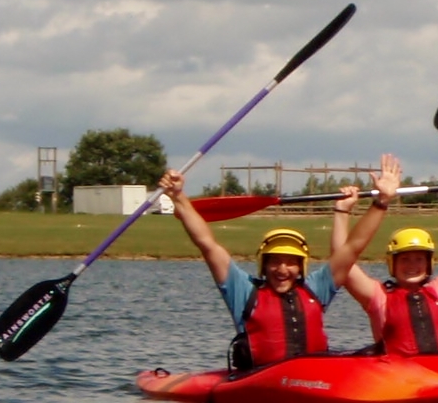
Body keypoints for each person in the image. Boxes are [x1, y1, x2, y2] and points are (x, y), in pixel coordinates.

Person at [159, 158, 400, 370]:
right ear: (263, 265)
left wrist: (381, 202)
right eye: (275, 262)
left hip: (317, 380)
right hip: (262, 381)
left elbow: (353, 247)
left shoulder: (316, 289)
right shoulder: (244, 292)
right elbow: (208, 244)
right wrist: (179, 197)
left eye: (290, 263)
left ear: (301, 266)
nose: (282, 270)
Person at [332, 161, 438, 355]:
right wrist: (342, 210)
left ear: (428, 264)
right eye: (405, 259)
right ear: (393, 263)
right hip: (399, 376)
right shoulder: (378, 296)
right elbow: (341, 260)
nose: (412, 266)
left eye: (418, 259)